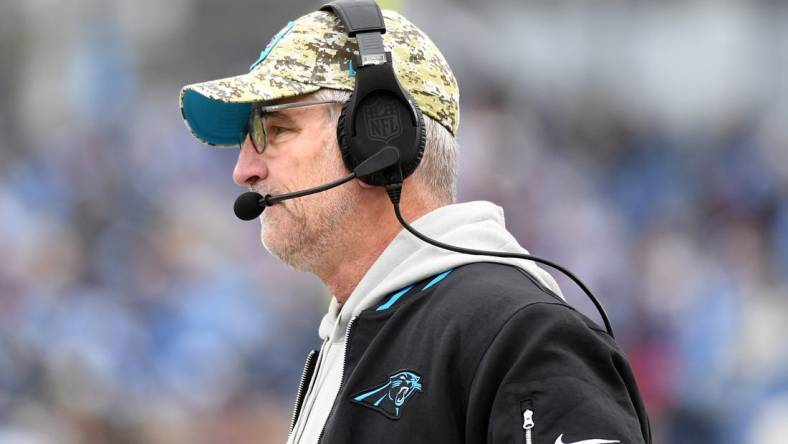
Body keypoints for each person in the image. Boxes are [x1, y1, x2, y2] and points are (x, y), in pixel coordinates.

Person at [178, 2, 652, 443]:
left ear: (375, 138)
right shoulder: (365, 335)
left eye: (276, 128)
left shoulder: (517, 333)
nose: (244, 170)